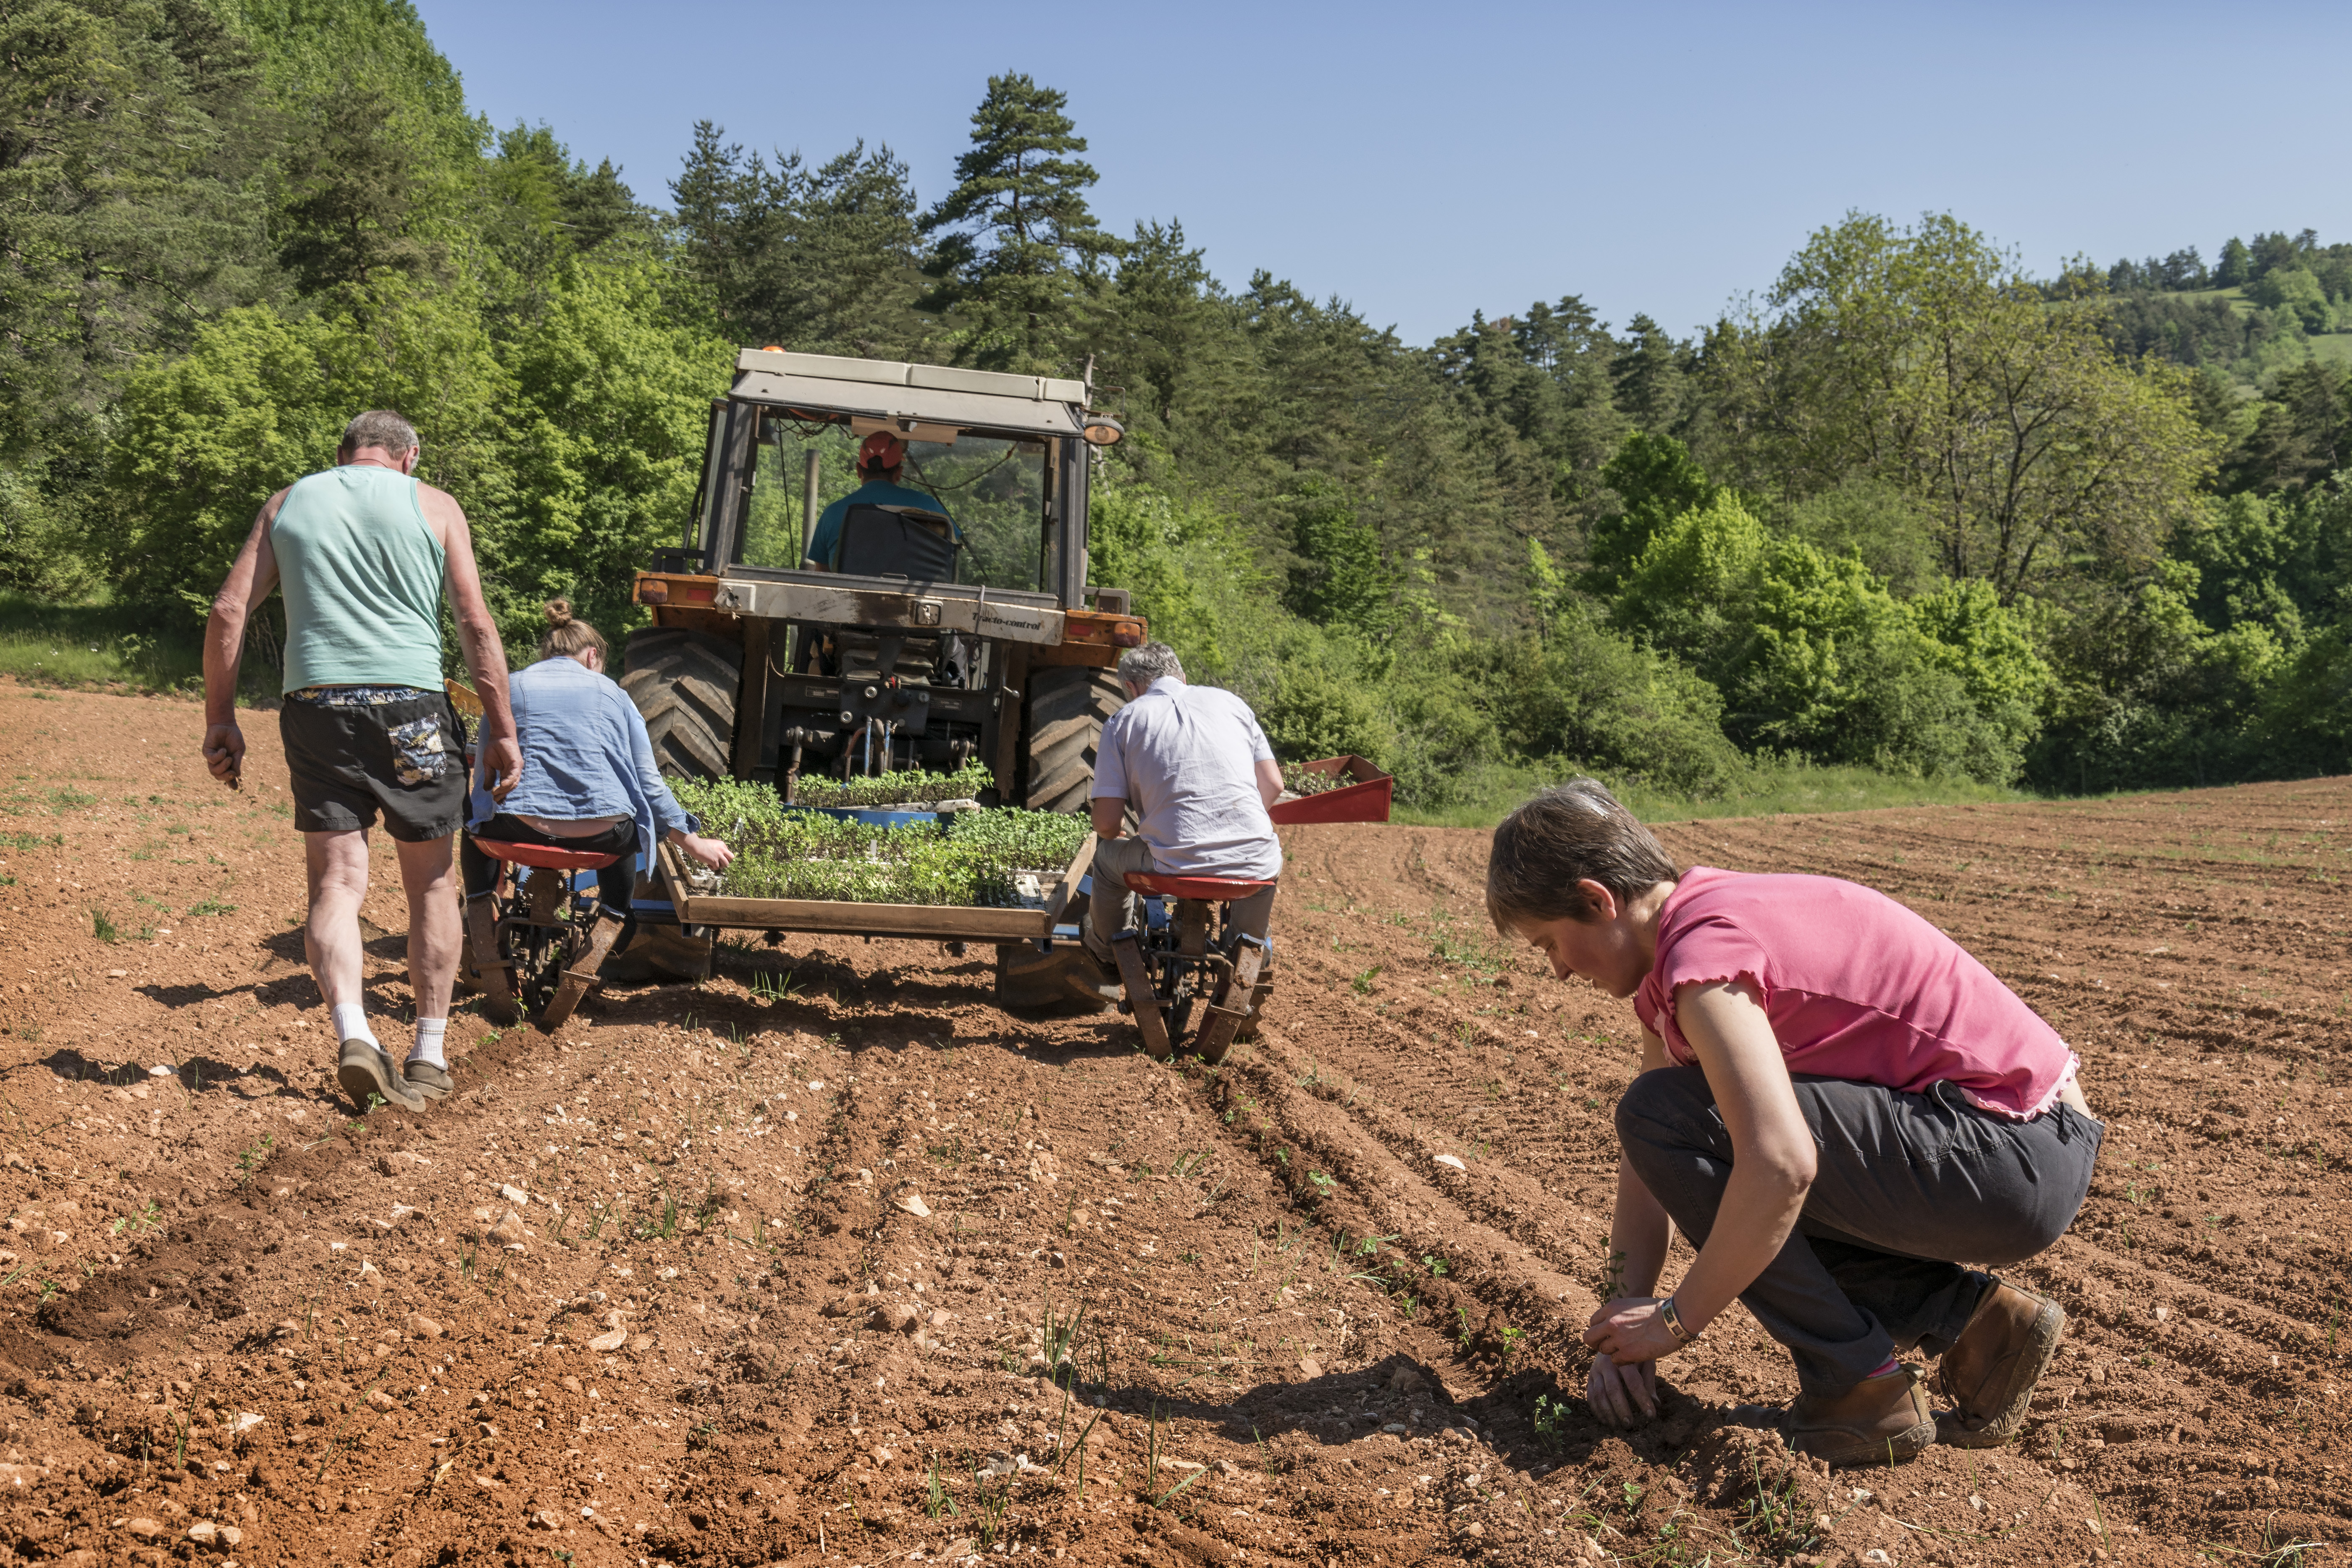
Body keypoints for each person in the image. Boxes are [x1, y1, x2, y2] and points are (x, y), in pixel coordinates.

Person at [1485, 779, 2100, 1468]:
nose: (1560, 970)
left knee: (1718, 1144)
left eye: (1551, 943)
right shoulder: (1697, 933)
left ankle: (1859, 1389)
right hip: (2017, 1146)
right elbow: (1650, 1163)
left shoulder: (1704, 958)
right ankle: (1981, 1328)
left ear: (1599, 900)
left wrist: (1674, 1320)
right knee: (1690, 1134)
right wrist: (1621, 1325)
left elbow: (1780, 1162)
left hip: (2013, 1150)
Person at [202, 410, 524, 1115]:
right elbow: (473, 621)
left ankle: (354, 1032)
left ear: (342, 455)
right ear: (410, 457)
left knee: (338, 881)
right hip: (410, 709)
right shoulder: (435, 505)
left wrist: (220, 718)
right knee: (433, 882)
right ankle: (430, 1054)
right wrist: (501, 726)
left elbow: (229, 609)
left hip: (316, 707)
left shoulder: (289, 501)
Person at [461, 600, 735, 1026]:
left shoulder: (508, 687)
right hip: (599, 842)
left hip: (512, 830)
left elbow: (485, 773)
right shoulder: (616, 695)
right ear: (593, 657)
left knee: (472, 827)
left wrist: (480, 819)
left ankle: (481, 912)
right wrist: (691, 840)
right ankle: (611, 918)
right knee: (629, 828)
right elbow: (648, 783)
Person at [1083, 641, 1285, 968]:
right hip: (1255, 863)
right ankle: (1247, 956)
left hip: (1171, 864)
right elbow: (1274, 785)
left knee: (1107, 859)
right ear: (1183, 677)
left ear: (1132, 688)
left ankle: (1110, 954)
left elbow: (1107, 823)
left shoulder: (1124, 719)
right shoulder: (1233, 704)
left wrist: (1118, 833)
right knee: (1263, 875)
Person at [804, 432, 949, 571]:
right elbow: (949, 560)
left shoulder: (833, 513)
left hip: (849, 596)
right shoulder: (931, 507)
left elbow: (823, 579)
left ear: (859, 471)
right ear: (899, 473)